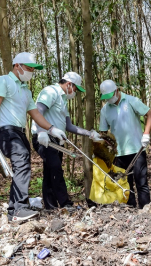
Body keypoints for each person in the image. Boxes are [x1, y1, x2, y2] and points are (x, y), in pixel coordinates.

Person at [0, 52, 67, 222]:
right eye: (29, 68)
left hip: (21, 133)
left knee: (23, 167)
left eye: (33, 69)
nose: (31, 71)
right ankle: (19, 209)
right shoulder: (3, 81)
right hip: (7, 131)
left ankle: (13, 209)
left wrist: (51, 129)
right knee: (21, 162)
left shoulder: (26, 91)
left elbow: (35, 114)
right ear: (17, 66)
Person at [31, 72, 102, 211]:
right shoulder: (50, 92)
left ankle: (50, 207)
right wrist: (41, 132)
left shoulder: (63, 100)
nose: (75, 92)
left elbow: (69, 126)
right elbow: (38, 111)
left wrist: (90, 133)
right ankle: (65, 204)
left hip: (56, 140)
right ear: (69, 84)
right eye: (76, 89)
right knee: (56, 169)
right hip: (45, 138)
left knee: (50, 171)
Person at [99, 79, 151, 208]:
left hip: (137, 149)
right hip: (118, 153)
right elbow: (103, 132)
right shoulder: (105, 110)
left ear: (117, 91)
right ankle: (130, 210)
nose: (109, 99)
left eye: (110, 96)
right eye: (106, 98)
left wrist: (146, 134)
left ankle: (145, 209)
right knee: (124, 184)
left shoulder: (131, 101)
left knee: (141, 182)